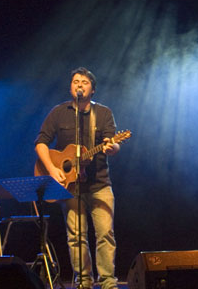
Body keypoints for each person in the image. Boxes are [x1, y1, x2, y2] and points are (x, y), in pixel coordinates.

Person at [35, 67, 120, 289]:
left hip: (100, 184)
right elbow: (41, 142)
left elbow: (113, 142)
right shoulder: (59, 112)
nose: (79, 85)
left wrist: (112, 146)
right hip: (70, 186)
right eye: (75, 81)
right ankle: (83, 280)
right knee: (75, 236)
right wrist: (52, 169)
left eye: (84, 82)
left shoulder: (102, 114)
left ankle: (108, 282)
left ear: (92, 90)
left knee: (105, 234)